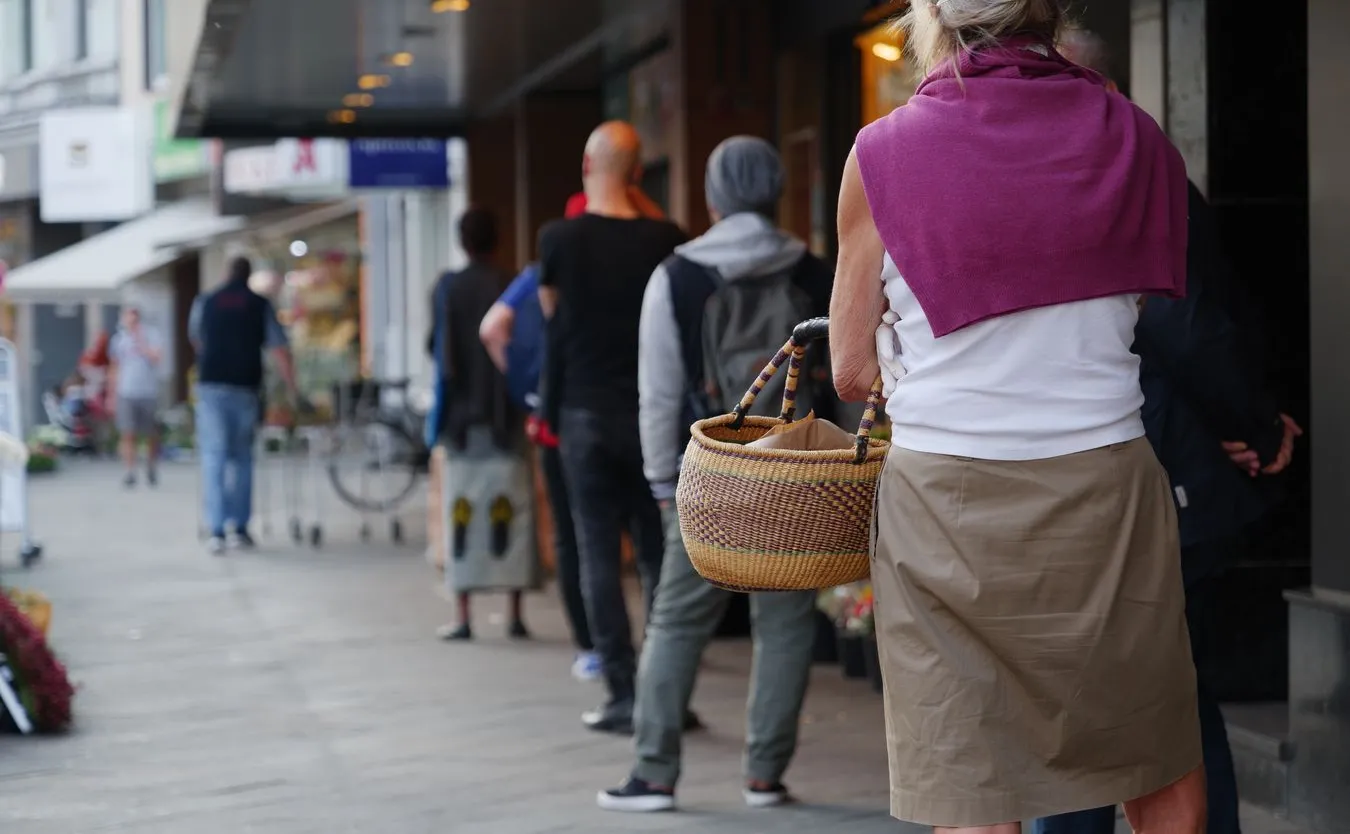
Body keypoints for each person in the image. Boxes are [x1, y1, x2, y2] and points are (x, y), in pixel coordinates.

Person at [830, 2, 1206, 831]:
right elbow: (1145, 306)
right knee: (1155, 755)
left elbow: (850, 370)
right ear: (1049, 14)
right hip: (1107, 485)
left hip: (945, 504)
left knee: (971, 781)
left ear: (933, 20)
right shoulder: (1134, 134)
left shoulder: (881, 154)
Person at [1032, 28, 1304, 834]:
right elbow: (1190, 325)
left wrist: (1248, 426)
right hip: (1150, 471)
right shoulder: (1133, 174)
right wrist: (1253, 427)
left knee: (1104, 697)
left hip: (1105, 475)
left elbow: (1185, 324)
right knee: (1165, 692)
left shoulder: (1074, 179)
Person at [596, 136, 835, 813]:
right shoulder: (813, 270)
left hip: (710, 476)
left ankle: (654, 773)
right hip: (796, 475)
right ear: (777, 191)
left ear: (712, 196)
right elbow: (844, 377)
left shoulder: (677, 276)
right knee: (785, 623)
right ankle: (765, 775)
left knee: (676, 621)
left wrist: (661, 483)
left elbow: (659, 392)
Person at [537, 121, 687, 732]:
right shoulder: (664, 238)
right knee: (657, 556)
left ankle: (622, 694)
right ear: (638, 174)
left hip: (582, 414)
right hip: (650, 417)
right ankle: (664, 692)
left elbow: (553, 323)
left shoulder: (558, 239)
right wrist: (635, 191)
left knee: (596, 551)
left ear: (584, 167)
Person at [480, 193, 597, 679]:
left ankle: (590, 646)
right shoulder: (618, 269)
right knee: (625, 533)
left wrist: (522, 386)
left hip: (553, 422)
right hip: (615, 417)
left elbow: (492, 329)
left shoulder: (536, 276)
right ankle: (653, 643)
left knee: (571, 536)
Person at [431, 207, 538, 641]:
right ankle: (515, 613)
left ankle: (463, 616)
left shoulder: (447, 287)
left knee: (461, 512)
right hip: (507, 418)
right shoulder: (511, 285)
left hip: (461, 422)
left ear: (462, 242)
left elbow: (439, 352)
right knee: (512, 508)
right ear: (497, 240)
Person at [189, 256, 298, 555]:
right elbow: (279, 348)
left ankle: (216, 530)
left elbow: (197, 339)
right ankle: (239, 528)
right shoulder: (259, 304)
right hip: (245, 387)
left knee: (214, 457)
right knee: (242, 458)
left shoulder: (206, 301)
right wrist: (292, 389)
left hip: (211, 385)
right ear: (249, 276)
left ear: (227, 273)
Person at [108, 307, 164, 487]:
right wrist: (111, 394)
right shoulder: (119, 339)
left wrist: (140, 341)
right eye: (127, 320)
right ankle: (130, 471)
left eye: (134, 321)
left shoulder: (151, 335)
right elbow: (114, 367)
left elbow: (156, 358)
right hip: (126, 392)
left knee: (151, 434)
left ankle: (151, 466)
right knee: (127, 433)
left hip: (148, 391)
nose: (130, 324)